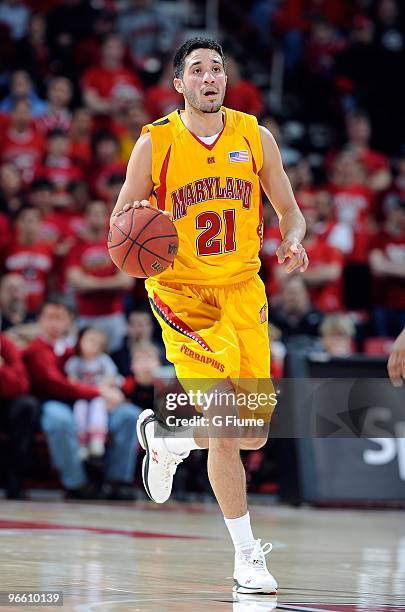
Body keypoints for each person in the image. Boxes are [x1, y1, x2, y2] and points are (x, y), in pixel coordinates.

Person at [111, 38, 309, 596]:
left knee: (253, 434)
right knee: (225, 425)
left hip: (244, 291)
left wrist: (293, 243)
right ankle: (248, 557)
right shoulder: (156, 142)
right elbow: (121, 224)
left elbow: (291, 213)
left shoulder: (254, 136)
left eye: (216, 69)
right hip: (183, 295)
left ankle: (167, 441)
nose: (209, 77)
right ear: (180, 85)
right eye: (196, 70)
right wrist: (135, 230)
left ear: (227, 80)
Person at [24, 298, 140, 500]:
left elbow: (107, 372)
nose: (54, 324)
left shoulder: (80, 347)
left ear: (70, 320)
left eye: (60, 318)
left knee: (129, 415)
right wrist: (100, 392)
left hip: (93, 404)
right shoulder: (36, 349)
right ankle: (76, 483)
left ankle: (117, 481)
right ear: (39, 320)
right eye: (49, 317)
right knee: (59, 419)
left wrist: (111, 390)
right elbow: (56, 385)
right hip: (56, 402)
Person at [65, 327, 121, 460]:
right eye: (90, 341)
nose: (93, 346)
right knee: (80, 408)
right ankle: (82, 443)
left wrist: (103, 388)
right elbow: (71, 381)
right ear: (80, 342)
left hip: (99, 396)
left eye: (97, 343)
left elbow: (111, 376)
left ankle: (96, 440)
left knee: (98, 407)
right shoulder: (75, 362)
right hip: (82, 396)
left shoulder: (103, 360)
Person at [0, 331, 39, 499]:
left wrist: (1, 369)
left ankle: (15, 483)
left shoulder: (5, 344)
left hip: (4, 404)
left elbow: (21, 385)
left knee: (26, 405)